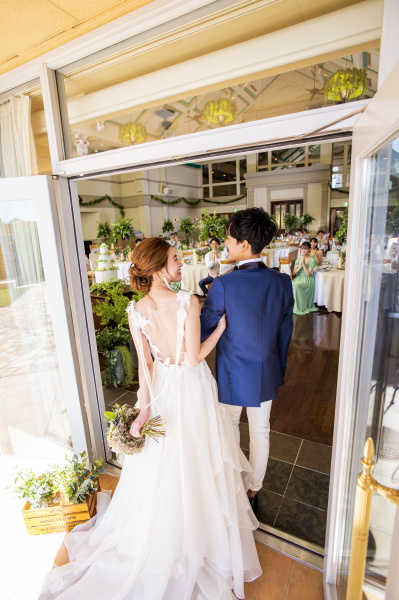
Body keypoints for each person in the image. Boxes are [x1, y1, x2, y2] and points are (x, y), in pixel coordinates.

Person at [39, 237, 261, 600]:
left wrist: (145, 407)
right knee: (197, 461)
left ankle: (165, 532)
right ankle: (200, 536)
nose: (179, 264)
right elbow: (193, 359)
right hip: (191, 391)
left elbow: (147, 367)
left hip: (162, 393)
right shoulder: (187, 301)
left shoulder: (135, 310)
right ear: (158, 268)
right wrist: (220, 329)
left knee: (165, 467)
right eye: (175, 259)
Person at [200, 208, 294, 513]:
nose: (225, 241)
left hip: (231, 371)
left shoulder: (225, 284)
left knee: (229, 425)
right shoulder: (282, 282)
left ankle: (232, 481)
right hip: (266, 369)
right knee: (261, 430)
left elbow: (205, 328)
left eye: (228, 236)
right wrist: (276, 370)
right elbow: (284, 334)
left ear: (242, 243)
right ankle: (254, 487)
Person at [292, 241, 318, 315]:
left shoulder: (311, 260)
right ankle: (295, 306)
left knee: (296, 285)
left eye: (306, 249)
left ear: (309, 249)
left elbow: (308, 274)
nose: (303, 250)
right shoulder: (298, 259)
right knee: (292, 284)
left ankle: (301, 306)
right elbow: (294, 272)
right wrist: (300, 266)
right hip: (299, 277)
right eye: (302, 249)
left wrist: (303, 264)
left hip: (308, 280)